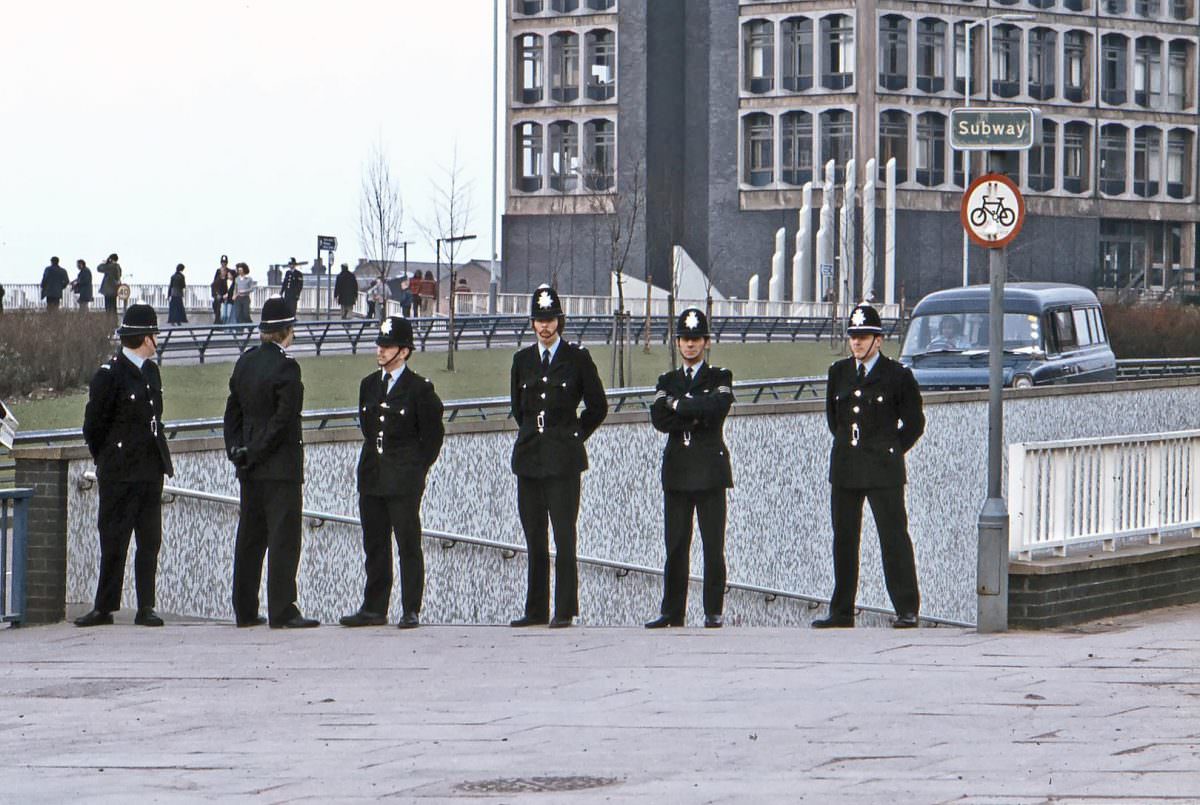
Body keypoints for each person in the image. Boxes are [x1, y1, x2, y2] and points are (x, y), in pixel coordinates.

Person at [814, 303, 925, 630]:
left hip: (882, 468)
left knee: (893, 539)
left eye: (864, 337)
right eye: (853, 337)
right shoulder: (839, 373)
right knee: (844, 539)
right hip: (847, 466)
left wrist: (891, 450)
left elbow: (915, 422)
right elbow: (834, 420)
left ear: (878, 340)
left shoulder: (897, 375)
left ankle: (906, 608)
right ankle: (842, 610)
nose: (857, 343)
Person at [509, 284, 607, 628]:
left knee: (564, 535)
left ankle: (564, 609)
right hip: (530, 458)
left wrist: (575, 434)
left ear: (559, 321)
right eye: (538, 319)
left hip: (563, 459)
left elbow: (598, 406)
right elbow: (518, 410)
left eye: (550, 319)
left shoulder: (576, 358)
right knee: (534, 535)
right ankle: (535, 608)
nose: (544, 326)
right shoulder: (522, 361)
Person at [340, 316, 444, 629]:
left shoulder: (420, 390)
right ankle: (374, 607)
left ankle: (410, 607)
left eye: (388, 346)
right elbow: (369, 431)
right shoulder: (369, 385)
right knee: (375, 544)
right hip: (373, 476)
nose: (381, 351)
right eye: (380, 345)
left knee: (408, 544)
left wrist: (416, 469)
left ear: (404, 351)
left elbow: (432, 437)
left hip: (403, 479)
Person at [75, 304, 174, 627]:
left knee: (149, 542)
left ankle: (147, 606)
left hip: (149, 469)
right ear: (145, 338)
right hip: (119, 472)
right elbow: (94, 426)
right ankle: (105, 606)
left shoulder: (150, 372)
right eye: (154, 333)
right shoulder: (110, 375)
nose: (157, 339)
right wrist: (105, 458)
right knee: (114, 540)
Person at [223, 297, 318, 629]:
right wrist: (257, 450)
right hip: (279, 467)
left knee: (249, 538)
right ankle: (282, 608)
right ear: (287, 332)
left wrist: (237, 449)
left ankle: (245, 608)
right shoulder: (287, 367)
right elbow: (282, 421)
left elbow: (232, 411)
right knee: (282, 538)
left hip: (249, 468)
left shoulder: (245, 363)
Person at [645, 308, 734, 629]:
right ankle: (672, 611)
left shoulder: (719, 377)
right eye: (685, 339)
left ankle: (713, 610)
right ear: (678, 342)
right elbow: (659, 418)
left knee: (713, 546)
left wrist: (680, 405)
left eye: (696, 339)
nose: (691, 345)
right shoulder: (667, 380)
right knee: (676, 547)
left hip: (710, 472)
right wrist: (694, 412)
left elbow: (717, 409)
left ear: (706, 342)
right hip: (678, 473)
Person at [211, 256, 230, 324]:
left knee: (223, 307)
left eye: (225, 263)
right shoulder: (218, 271)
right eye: (222, 262)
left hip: (225, 292)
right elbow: (214, 283)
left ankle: (220, 321)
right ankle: (217, 321)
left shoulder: (229, 271)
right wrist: (215, 294)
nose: (223, 264)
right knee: (215, 305)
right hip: (218, 292)